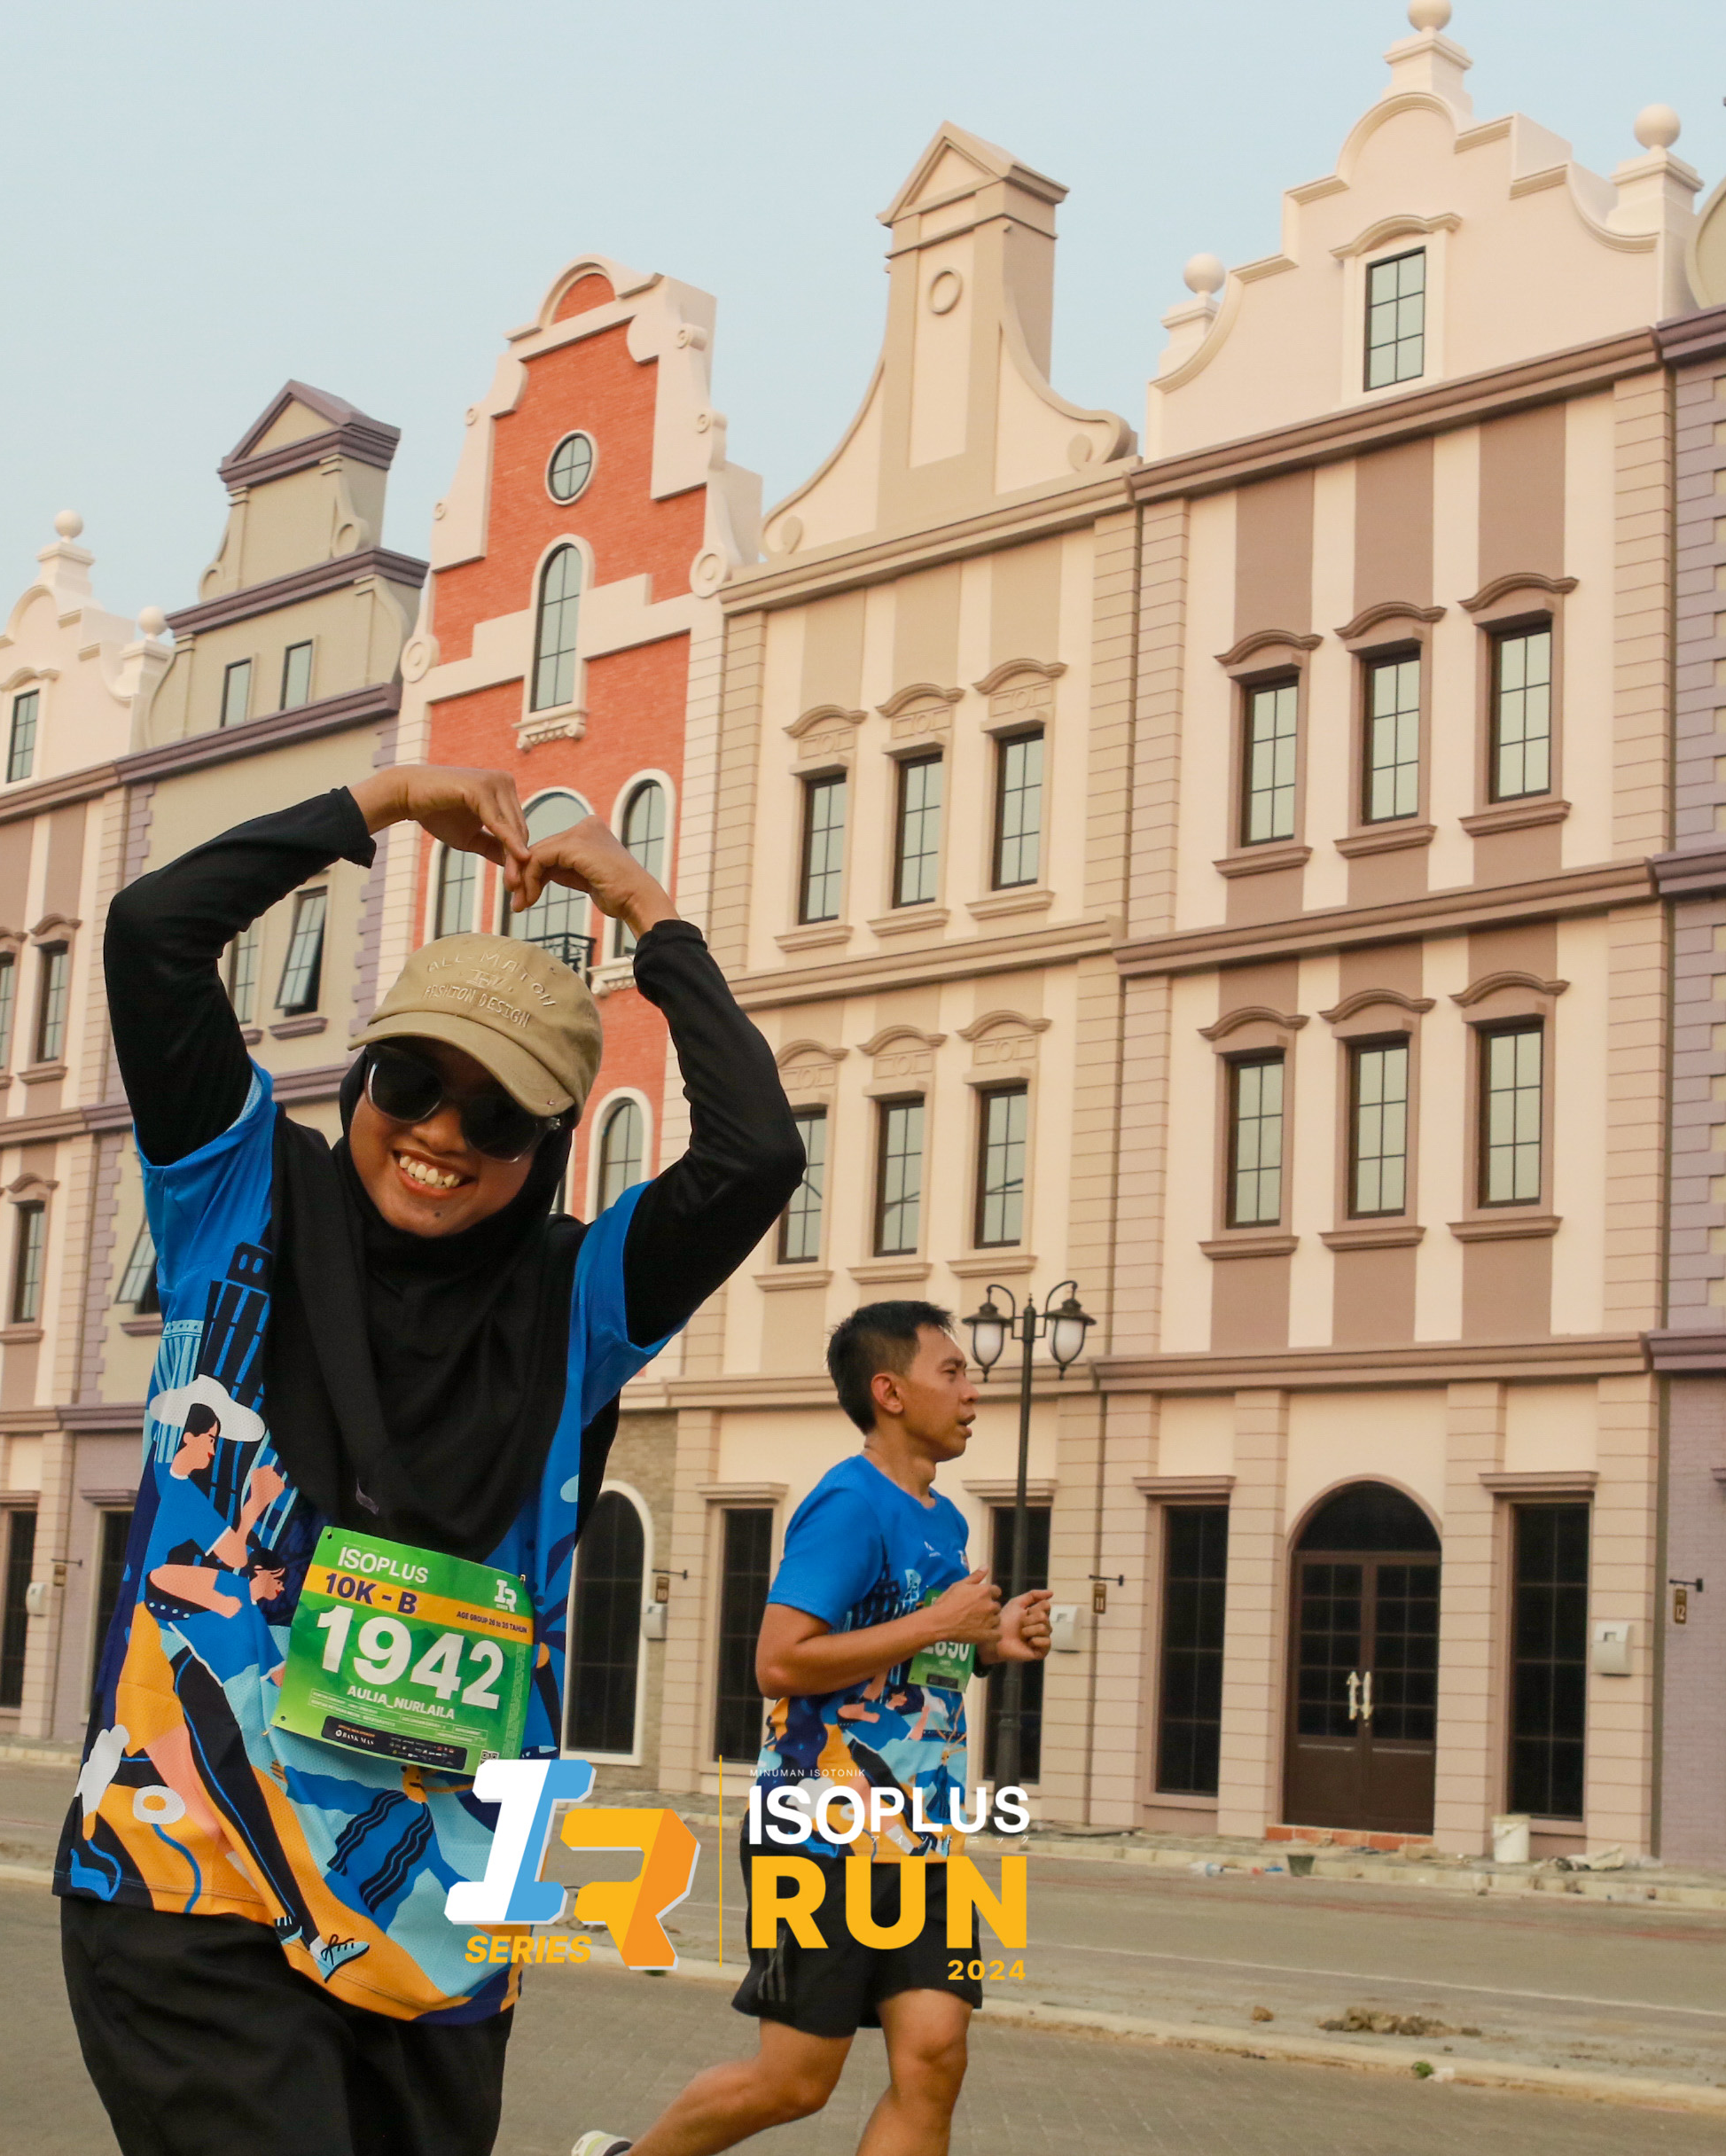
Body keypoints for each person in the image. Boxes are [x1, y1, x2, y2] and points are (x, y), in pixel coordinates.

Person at [53, 767, 803, 2156]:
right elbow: (154, 930)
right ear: (363, 1078)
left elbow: (756, 1153)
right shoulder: (237, 1190)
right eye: (413, 1083)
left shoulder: (584, 1299)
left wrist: (641, 902)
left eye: (499, 1114)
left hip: (454, 1898)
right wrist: (390, 801)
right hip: (191, 1866)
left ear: (552, 1143)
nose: (442, 1136)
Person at [577, 1301, 1053, 2156]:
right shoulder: (848, 1505)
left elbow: (906, 1656)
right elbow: (780, 1662)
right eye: (952, 1372)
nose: (972, 1392)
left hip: (919, 1838)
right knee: (795, 2081)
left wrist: (987, 1645)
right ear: (890, 1392)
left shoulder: (942, 1518)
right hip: (819, 1834)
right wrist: (939, 1623)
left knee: (935, 2056)